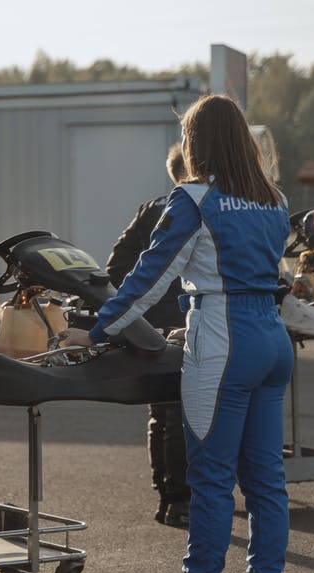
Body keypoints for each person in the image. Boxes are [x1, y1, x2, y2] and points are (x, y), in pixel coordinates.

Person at [63, 94, 292, 573]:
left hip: (224, 345)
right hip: (271, 340)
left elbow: (146, 279)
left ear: (196, 144)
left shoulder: (193, 198)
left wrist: (94, 331)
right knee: (265, 481)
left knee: (209, 478)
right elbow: (261, 276)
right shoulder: (275, 200)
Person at [104, 143, 191, 529]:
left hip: (147, 324)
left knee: (161, 411)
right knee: (180, 412)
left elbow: (116, 264)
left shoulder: (149, 209)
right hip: (185, 322)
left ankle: (165, 494)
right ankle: (181, 499)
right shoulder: (196, 210)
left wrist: (139, 309)